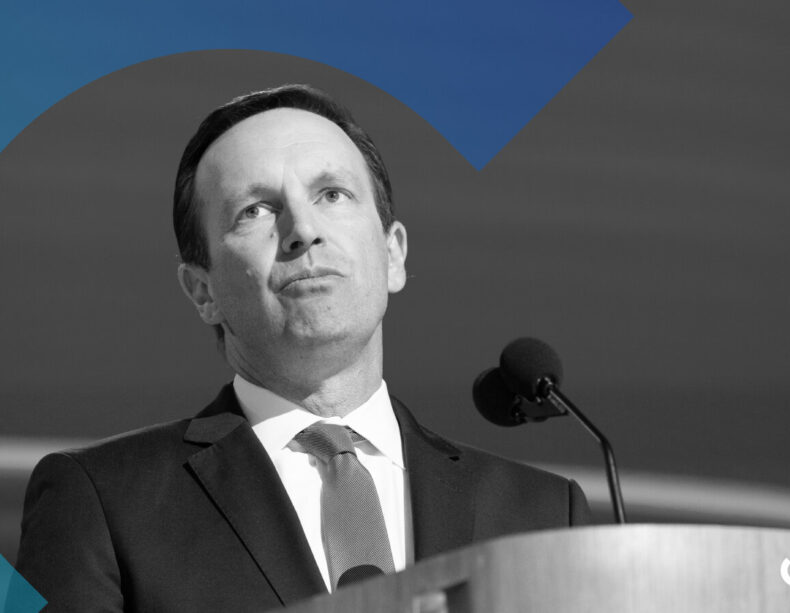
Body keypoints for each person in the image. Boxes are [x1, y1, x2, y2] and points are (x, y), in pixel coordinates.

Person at [13, 84, 591, 612]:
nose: (303, 230)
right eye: (255, 210)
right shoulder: (102, 503)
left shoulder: (543, 515)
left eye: (332, 194)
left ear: (393, 253)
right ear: (203, 290)